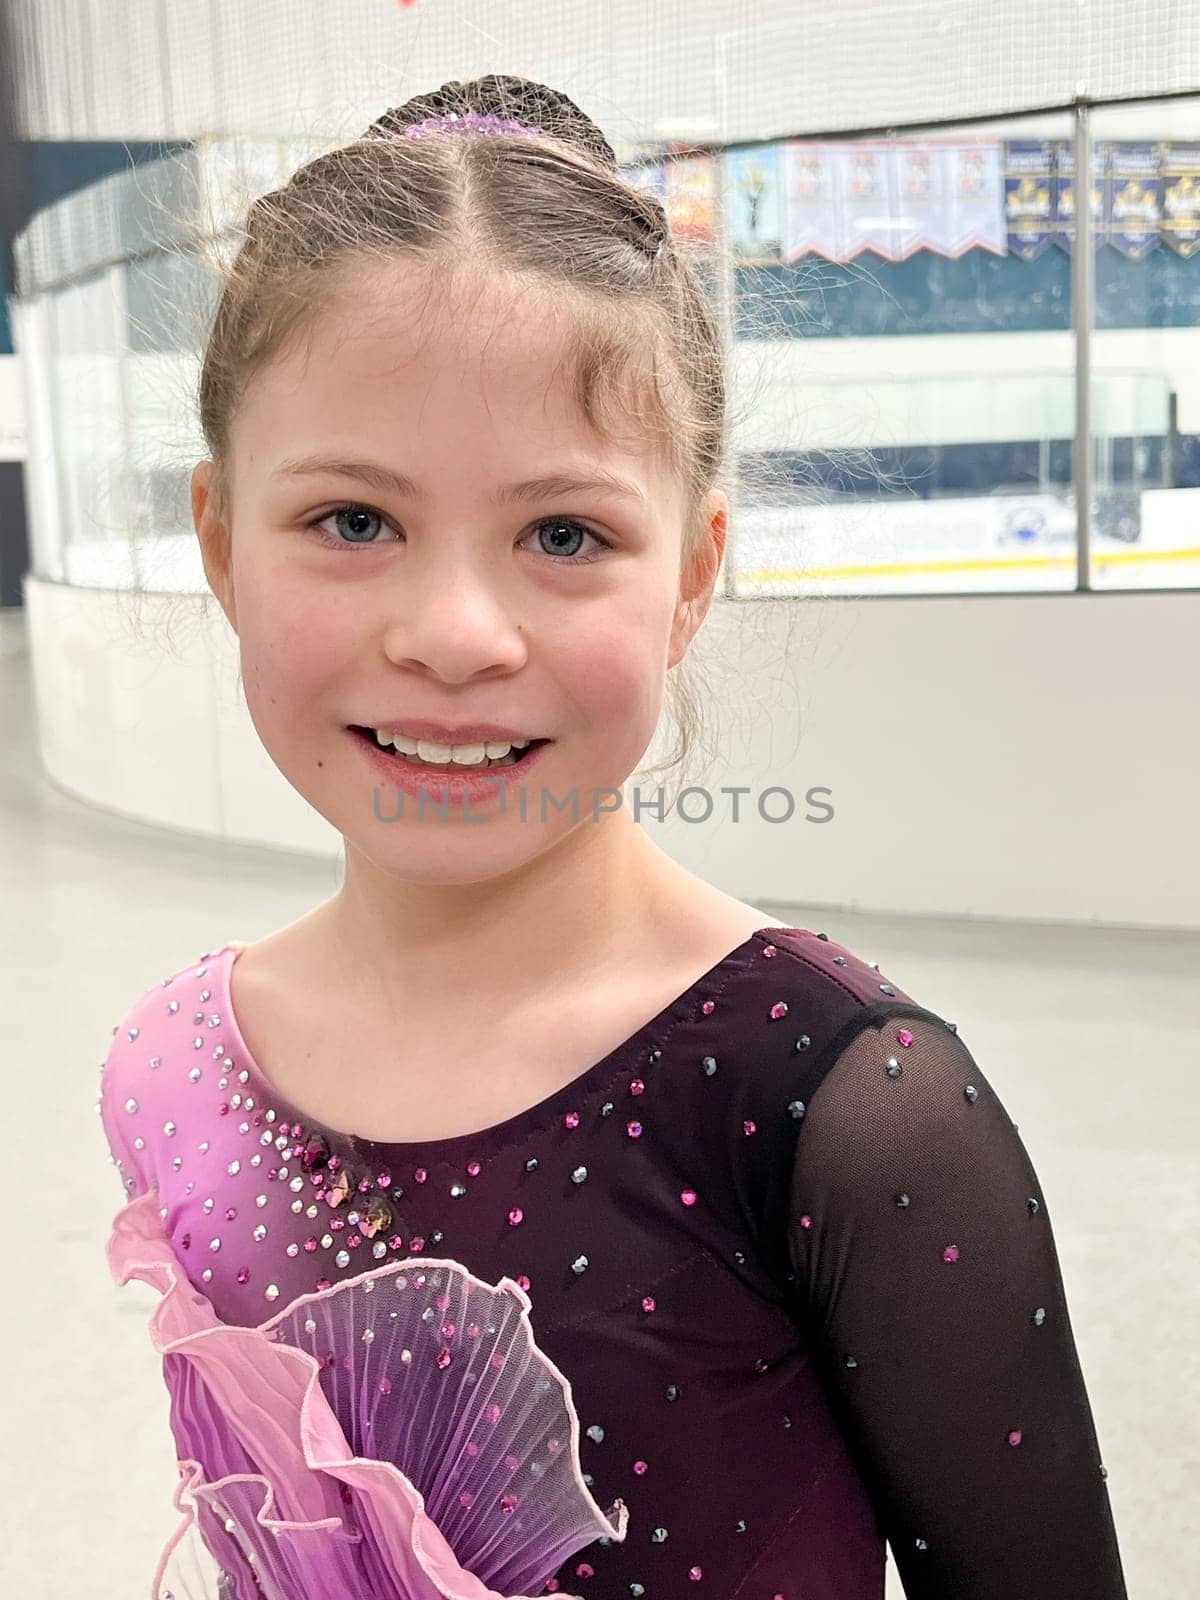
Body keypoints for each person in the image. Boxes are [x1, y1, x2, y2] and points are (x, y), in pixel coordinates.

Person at [98, 73, 1129, 1600]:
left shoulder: (845, 1108)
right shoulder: (170, 1066)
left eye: (563, 535)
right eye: (354, 521)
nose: (456, 635)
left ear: (693, 574)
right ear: (218, 539)